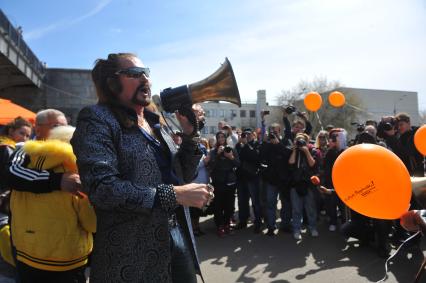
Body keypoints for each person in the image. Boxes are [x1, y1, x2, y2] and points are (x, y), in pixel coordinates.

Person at [70, 53, 211, 282]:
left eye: (146, 72)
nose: (145, 78)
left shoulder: (155, 122)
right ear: (112, 82)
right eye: (135, 73)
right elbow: (101, 188)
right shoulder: (96, 119)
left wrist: (191, 134)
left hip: (175, 235)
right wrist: (173, 195)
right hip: (131, 249)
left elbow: (183, 174)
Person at [9, 125, 96, 282]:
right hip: (67, 259)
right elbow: (92, 223)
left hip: (26, 253)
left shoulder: (24, 168)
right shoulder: (74, 173)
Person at [208, 131, 240, 237]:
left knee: (229, 206)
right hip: (218, 182)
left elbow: (238, 164)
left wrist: (230, 157)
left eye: (223, 137)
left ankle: (227, 224)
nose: (221, 138)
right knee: (218, 205)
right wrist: (217, 154)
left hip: (230, 182)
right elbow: (210, 166)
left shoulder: (231, 149)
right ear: (217, 139)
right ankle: (219, 226)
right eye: (219, 137)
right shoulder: (213, 151)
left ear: (226, 138)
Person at [288, 133, 319, 240]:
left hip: (308, 184)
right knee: (296, 209)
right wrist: (295, 150)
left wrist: (306, 151)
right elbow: (291, 163)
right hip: (295, 184)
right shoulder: (293, 151)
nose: (300, 142)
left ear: (307, 142)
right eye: (298, 140)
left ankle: (313, 228)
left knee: (310, 208)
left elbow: (312, 164)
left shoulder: (312, 151)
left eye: (302, 140)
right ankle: (296, 230)